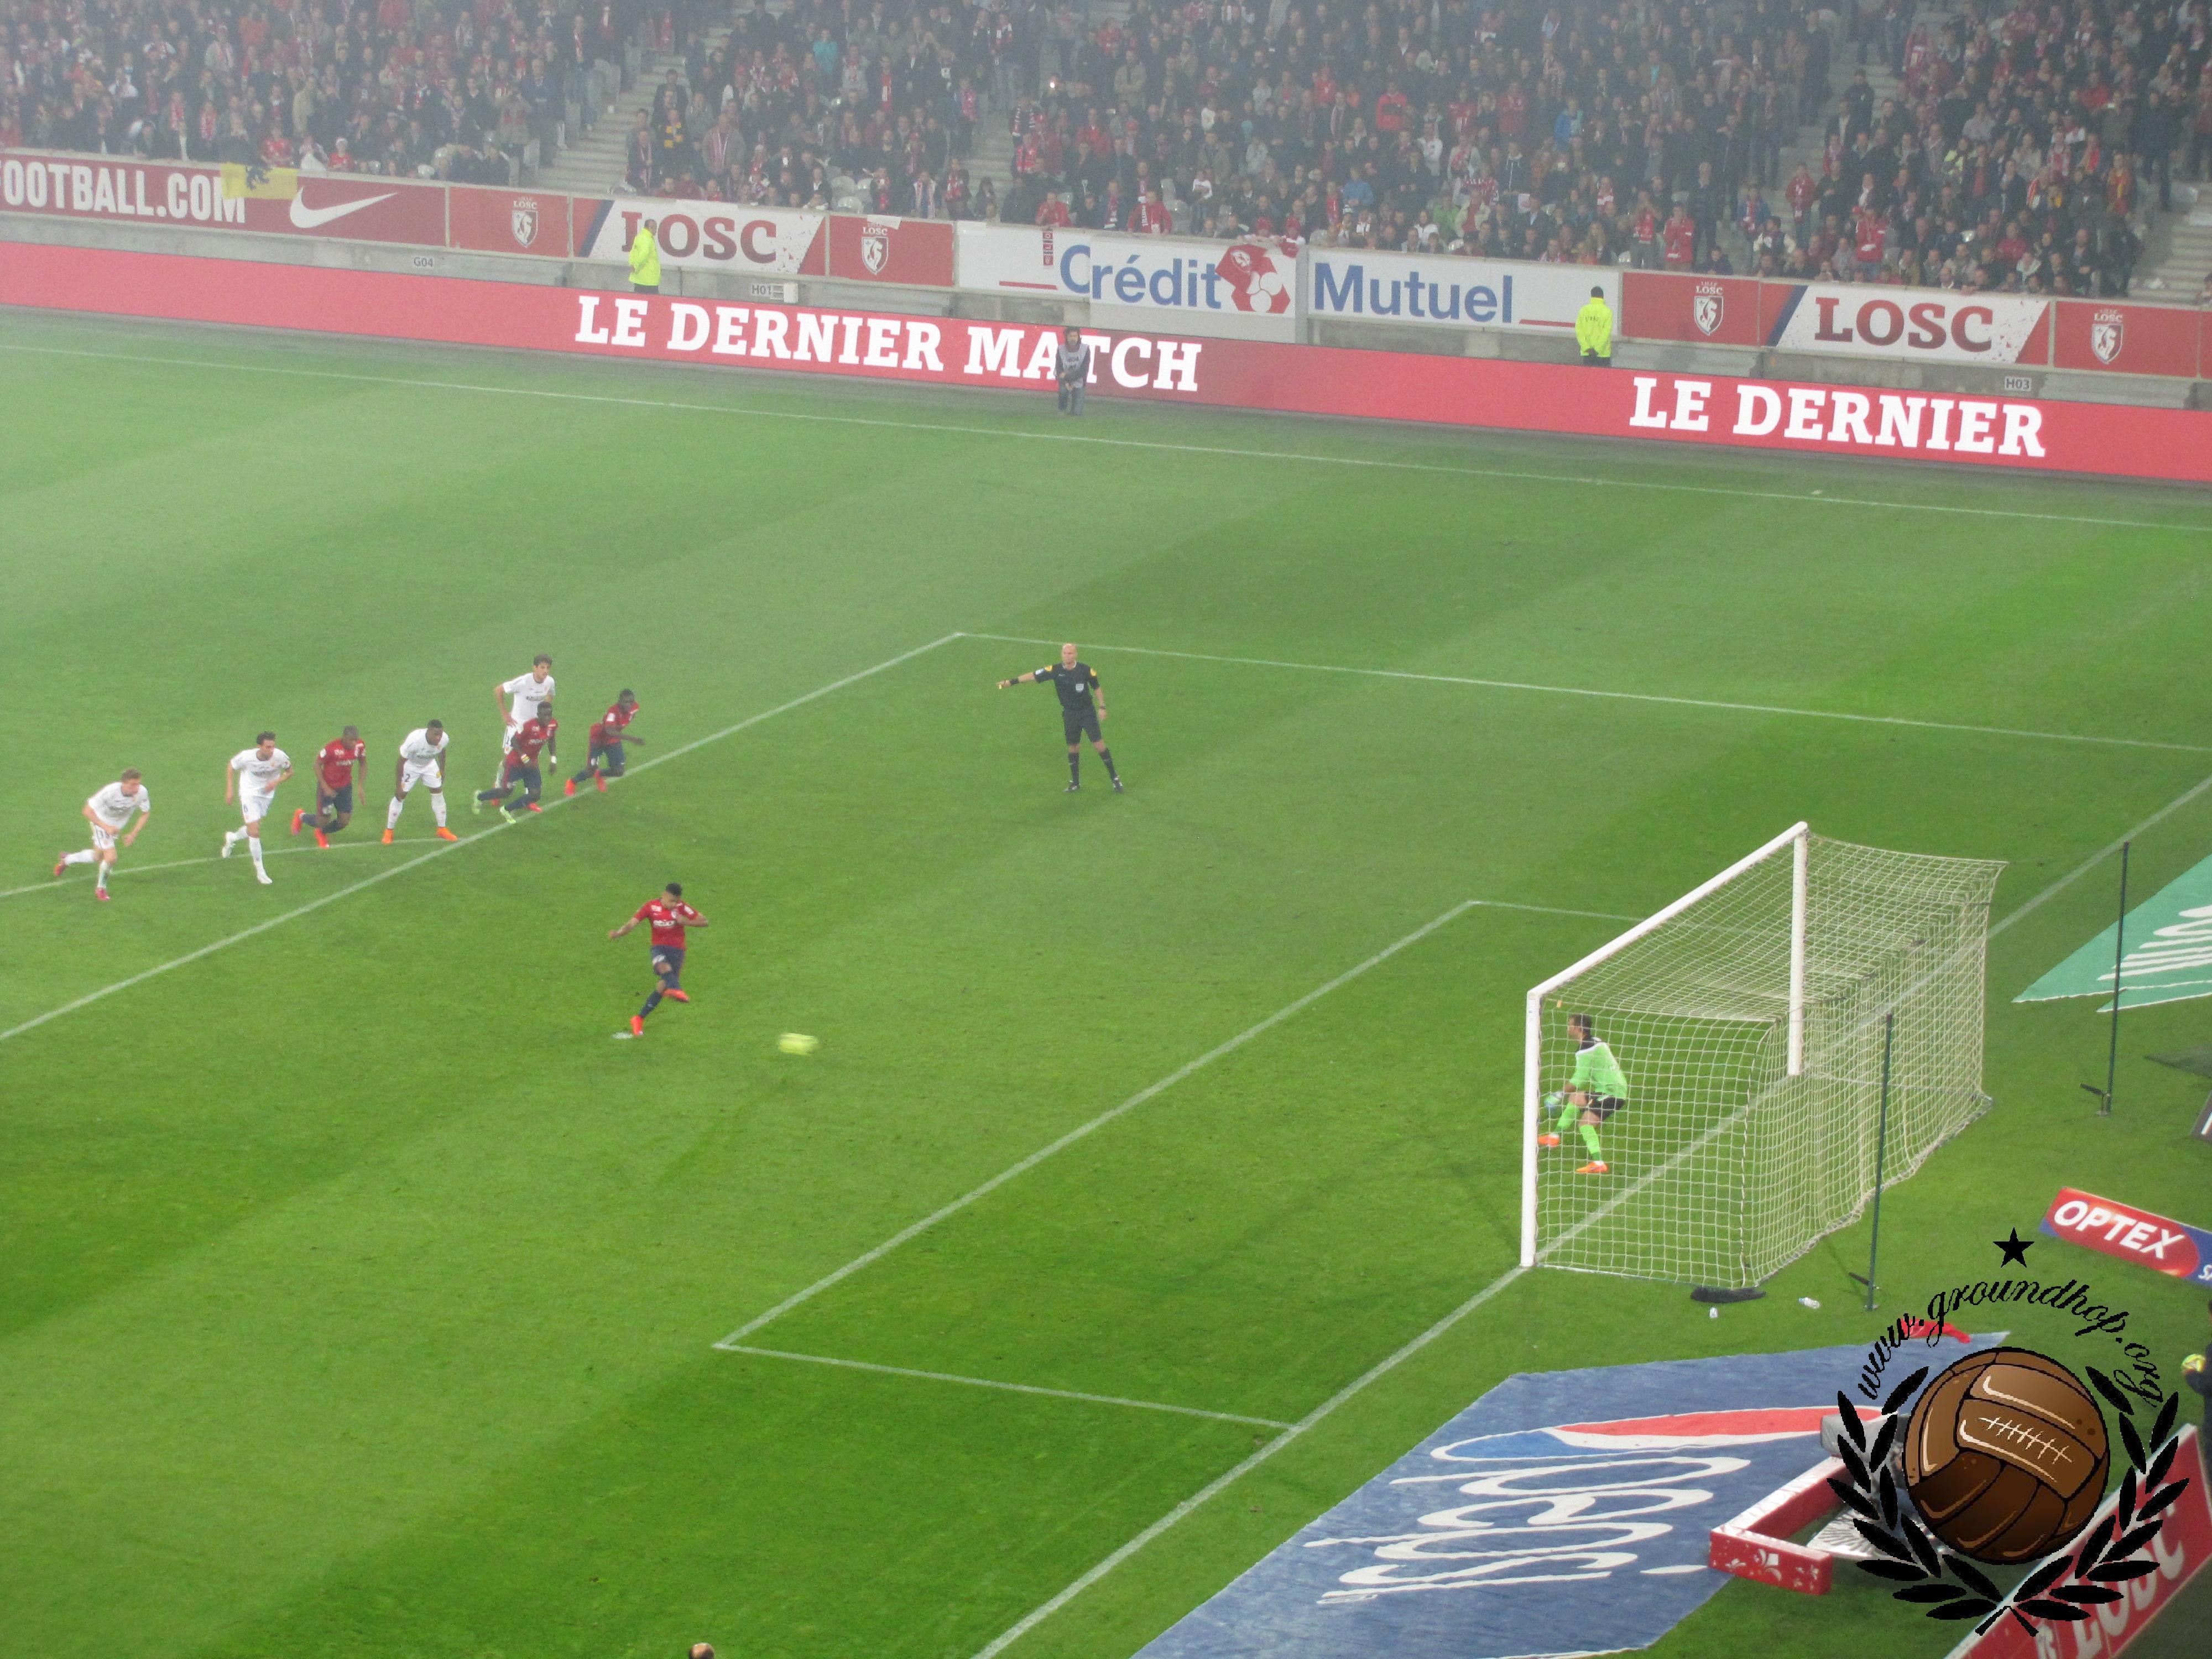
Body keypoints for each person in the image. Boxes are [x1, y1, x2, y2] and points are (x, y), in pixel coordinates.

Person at [997, 642, 1121, 792]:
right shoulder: (1055, 670)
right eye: (1065, 653)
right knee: (1073, 747)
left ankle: (1115, 779)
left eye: (1070, 653)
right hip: (1070, 714)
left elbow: (1097, 688)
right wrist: (1011, 682)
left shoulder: (1085, 670)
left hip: (1087, 713)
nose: (1067, 656)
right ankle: (1075, 783)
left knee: (1099, 745)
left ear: (1075, 655)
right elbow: (1033, 676)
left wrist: (1102, 707)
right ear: (1062, 654)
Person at [608, 881, 707, 1037]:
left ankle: (638, 1018)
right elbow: (632, 924)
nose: (674, 905)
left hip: (678, 951)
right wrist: (619, 933)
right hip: (659, 948)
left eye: (676, 901)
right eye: (672, 901)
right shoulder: (650, 907)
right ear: (664, 895)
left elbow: (704, 921)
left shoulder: (682, 907)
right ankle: (677, 989)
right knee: (663, 966)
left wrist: (685, 921)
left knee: (662, 987)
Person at [1538, 1013, 1626, 1175]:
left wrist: (1558, 1095)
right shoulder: (1596, 1041)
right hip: (1610, 1089)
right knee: (1576, 1098)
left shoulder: (1585, 1051)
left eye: (1570, 1025)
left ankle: (1598, 1163)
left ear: (1578, 1028)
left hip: (1612, 1093)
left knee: (1585, 1124)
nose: (1568, 1028)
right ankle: (1554, 1136)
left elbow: (1578, 1080)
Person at [56, 769, 150, 901]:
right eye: (133, 785)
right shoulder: (109, 792)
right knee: (111, 858)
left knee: (97, 857)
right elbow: (87, 811)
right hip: (101, 823)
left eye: (138, 784)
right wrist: (106, 827)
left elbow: (145, 813)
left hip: (115, 828)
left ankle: (67, 860)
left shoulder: (142, 792)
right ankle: (101, 888)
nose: (137, 788)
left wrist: (133, 834)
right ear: (124, 783)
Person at [222, 731, 291, 885]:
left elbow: (289, 772)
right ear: (260, 746)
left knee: (253, 829)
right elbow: (231, 767)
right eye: (268, 747)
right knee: (255, 831)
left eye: (273, 747)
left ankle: (232, 837)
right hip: (249, 794)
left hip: (266, 795)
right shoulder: (247, 757)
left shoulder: (280, 756)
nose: (271, 750)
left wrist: (276, 782)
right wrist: (230, 789)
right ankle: (260, 871)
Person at [383, 721, 460, 843]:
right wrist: (398, 786)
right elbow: (401, 762)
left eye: (440, 735)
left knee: (438, 791)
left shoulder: (444, 739)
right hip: (411, 766)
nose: (438, 738)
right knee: (401, 795)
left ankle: (442, 829)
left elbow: (442, 751)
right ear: (428, 732)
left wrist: (442, 769)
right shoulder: (415, 740)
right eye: (435, 735)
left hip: (429, 765)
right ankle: (389, 831)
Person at [476, 703, 557, 819]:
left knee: (535, 794)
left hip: (532, 765)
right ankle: (480, 797)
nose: (548, 718)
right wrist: (525, 758)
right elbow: (514, 741)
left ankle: (507, 810)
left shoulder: (552, 725)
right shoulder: (529, 726)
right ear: (538, 715)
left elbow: (552, 740)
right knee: (506, 792)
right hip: (516, 763)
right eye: (545, 715)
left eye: (550, 715)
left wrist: (553, 760)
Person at [294, 725, 366, 848]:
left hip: (345, 787)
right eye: (351, 741)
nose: (354, 743)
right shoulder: (332, 748)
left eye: (356, 740)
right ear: (344, 738)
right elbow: (317, 765)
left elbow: (363, 764)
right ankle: (301, 816)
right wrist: (325, 787)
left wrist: (360, 786)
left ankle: (322, 832)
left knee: (344, 821)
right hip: (328, 787)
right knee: (322, 821)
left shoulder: (360, 746)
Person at [566, 690, 644, 795]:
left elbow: (626, 720)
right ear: (620, 702)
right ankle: (572, 782)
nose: (629, 705)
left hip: (613, 740)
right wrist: (632, 739)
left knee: (619, 771)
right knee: (591, 770)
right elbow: (610, 731)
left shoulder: (635, 708)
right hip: (598, 739)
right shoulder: (612, 713)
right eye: (626, 702)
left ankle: (599, 774)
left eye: (631, 702)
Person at [493, 655, 556, 782]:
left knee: (532, 759)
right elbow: (498, 690)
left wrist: (546, 715)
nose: (545, 671)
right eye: (542, 667)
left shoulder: (550, 682)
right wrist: (505, 714)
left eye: (548, 668)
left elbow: (550, 694)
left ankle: (530, 789)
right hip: (517, 725)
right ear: (535, 668)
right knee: (508, 758)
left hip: (535, 727)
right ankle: (500, 782)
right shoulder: (523, 682)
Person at [1055, 327, 1091, 415]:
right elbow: (1059, 368)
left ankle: (1074, 409)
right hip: (1065, 381)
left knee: (1077, 413)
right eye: (1071, 336)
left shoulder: (1085, 349)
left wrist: (1068, 378)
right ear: (1066, 337)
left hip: (1079, 381)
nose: (1073, 339)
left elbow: (1084, 370)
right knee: (1063, 390)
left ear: (1079, 337)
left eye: (1075, 336)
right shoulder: (1061, 349)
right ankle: (1062, 409)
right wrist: (1066, 382)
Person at [1575, 285, 1613, 367]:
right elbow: (1606, 333)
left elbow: (1579, 331)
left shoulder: (1583, 310)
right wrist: (1597, 350)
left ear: (1591, 296)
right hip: (1603, 354)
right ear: (1602, 297)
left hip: (1587, 353)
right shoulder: (1607, 312)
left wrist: (1586, 348)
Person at [629, 216, 661, 293]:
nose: (655, 230)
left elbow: (633, 253)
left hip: (639, 278)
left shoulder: (639, 237)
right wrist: (636, 267)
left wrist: (632, 265)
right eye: (654, 228)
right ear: (649, 228)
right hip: (649, 279)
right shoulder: (648, 240)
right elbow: (644, 256)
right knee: (652, 300)